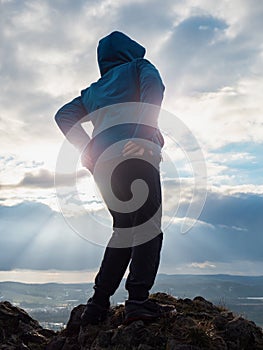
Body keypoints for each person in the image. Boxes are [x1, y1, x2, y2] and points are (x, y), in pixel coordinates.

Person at [55, 31, 172, 325]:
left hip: (104, 167)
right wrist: (143, 134)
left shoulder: (93, 90)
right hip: (137, 155)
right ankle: (138, 302)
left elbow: (63, 115)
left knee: (123, 230)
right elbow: (154, 89)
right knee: (148, 227)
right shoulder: (138, 67)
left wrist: (87, 148)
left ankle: (97, 304)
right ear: (130, 50)